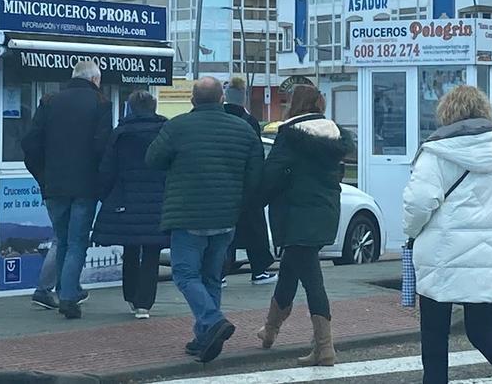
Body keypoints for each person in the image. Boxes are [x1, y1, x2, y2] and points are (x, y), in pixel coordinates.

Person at [403, 85, 492, 384]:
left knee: (435, 335)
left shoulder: (435, 152)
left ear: (447, 113)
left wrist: (410, 232)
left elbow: (418, 203)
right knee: (482, 329)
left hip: (441, 256)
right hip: (489, 255)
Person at [146, 76, 264, 363]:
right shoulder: (244, 130)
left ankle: (212, 321)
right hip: (225, 216)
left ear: (192, 100)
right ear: (222, 100)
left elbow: (152, 160)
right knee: (211, 277)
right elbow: (255, 175)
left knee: (185, 275)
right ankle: (204, 339)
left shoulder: (176, 126)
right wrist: (238, 204)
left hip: (187, 215)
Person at [256, 84, 352, 367]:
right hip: (324, 213)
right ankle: (269, 331)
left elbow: (272, 173)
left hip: (296, 215)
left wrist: (254, 199)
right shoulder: (333, 135)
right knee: (289, 272)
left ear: (294, 104)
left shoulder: (290, 136)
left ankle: (324, 348)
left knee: (312, 281)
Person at [22, 60, 113, 319]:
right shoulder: (101, 103)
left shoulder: (49, 101)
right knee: (77, 242)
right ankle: (69, 296)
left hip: (54, 185)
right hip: (85, 186)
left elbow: (30, 143)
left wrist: (41, 175)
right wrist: (101, 180)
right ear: (95, 80)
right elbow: (102, 147)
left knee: (61, 239)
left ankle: (65, 289)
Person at [91, 90, 169, 319]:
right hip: (158, 199)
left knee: (131, 246)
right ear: (154, 107)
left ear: (131, 108)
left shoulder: (120, 133)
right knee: (153, 249)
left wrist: (106, 197)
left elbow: (107, 170)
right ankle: (145, 303)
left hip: (126, 199)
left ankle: (132, 296)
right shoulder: (165, 131)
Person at [222, 76, 277, 287]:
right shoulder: (250, 122)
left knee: (225, 232)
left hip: (222, 187)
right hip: (245, 186)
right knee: (255, 231)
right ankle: (259, 271)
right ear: (243, 97)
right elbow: (256, 158)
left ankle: (220, 273)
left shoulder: (218, 117)